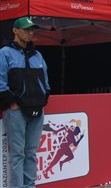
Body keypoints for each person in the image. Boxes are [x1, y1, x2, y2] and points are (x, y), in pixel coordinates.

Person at [0, 16, 51, 188]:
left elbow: (45, 80)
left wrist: (44, 98)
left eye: (32, 30)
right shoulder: (5, 53)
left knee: (30, 153)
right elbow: (0, 81)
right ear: (15, 30)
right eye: (26, 29)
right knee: (17, 155)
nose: (30, 33)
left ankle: (30, 186)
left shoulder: (38, 55)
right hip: (16, 111)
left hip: (37, 109)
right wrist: (11, 103)